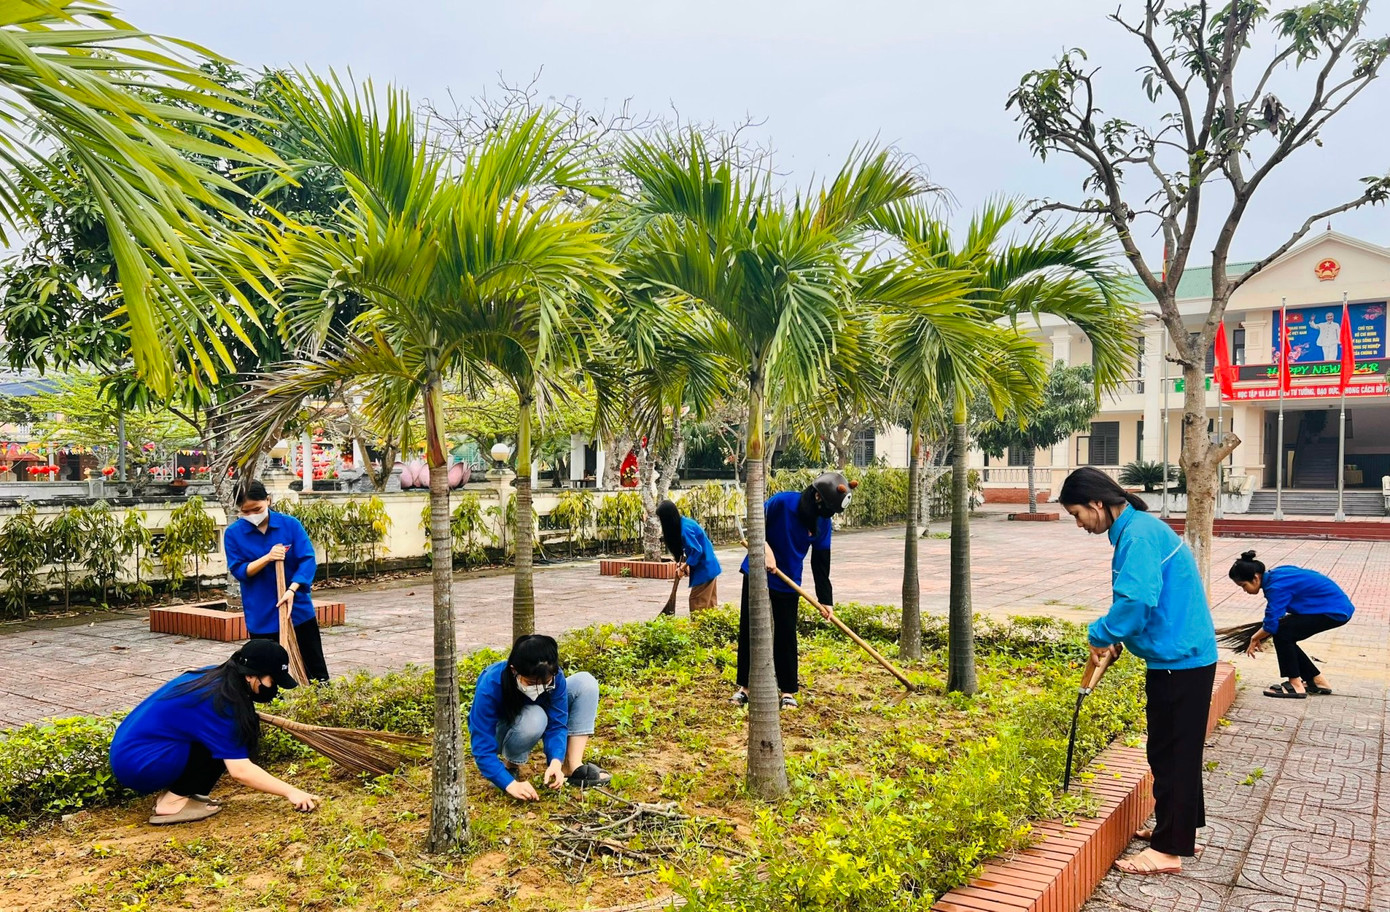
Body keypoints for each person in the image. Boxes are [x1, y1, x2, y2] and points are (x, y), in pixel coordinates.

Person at [1057, 466, 1217, 877]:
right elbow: (1150, 602)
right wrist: (1121, 637)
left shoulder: (1139, 536)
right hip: (1182, 656)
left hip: (1179, 662)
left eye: (1078, 514)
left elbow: (1137, 600)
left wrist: (1101, 633)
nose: (1079, 524)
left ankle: (1168, 850)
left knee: (1172, 753)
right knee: (1174, 751)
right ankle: (1179, 830)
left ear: (1097, 503)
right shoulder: (1139, 529)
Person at [108, 640, 321, 825]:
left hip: (132, 752)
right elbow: (240, 771)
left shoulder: (219, 677)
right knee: (222, 746)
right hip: (140, 763)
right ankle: (171, 803)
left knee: (224, 740)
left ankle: (180, 794)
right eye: (272, 681)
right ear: (251, 676)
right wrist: (291, 792)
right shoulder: (221, 702)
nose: (273, 687)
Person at [732, 471, 855, 710]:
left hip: (789, 581)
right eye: (828, 510)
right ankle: (744, 688)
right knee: (750, 629)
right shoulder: (782, 502)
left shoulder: (823, 523)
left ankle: (787, 691)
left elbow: (821, 562)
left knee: (786, 635)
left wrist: (825, 600)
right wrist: (765, 550)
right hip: (757, 573)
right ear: (818, 498)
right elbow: (755, 525)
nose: (827, 516)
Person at [468, 634, 611, 801]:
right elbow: (481, 747)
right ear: (514, 670)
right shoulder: (491, 684)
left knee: (585, 683)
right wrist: (509, 783)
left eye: (546, 682)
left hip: (538, 719)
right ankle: (510, 766)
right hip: (503, 732)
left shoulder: (555, 678)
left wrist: (555, 761)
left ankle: (570, 766)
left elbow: (557, 724)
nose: (538, 688)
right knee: (535, 716)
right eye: (530, 683)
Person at [224, 480, 329, 682]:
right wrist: (268, 558)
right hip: (261, 611)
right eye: (246, 512)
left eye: (257, 509)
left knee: (314, 667)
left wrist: (292, 590)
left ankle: (320, 701)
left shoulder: (289, 525)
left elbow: (307, 560)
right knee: (267, 672)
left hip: (296, 608)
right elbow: (239, 570)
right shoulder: (234, 534)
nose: (252, 515)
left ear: (268, 500)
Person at [1229, 550, 1354, 698]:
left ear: (1255, 578)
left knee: (1282, 634)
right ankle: (1316, 681)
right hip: (1336, 608)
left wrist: (1254, 638)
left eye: (1243, 585)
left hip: (1333, 612)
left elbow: (1270, 624)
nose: (1244, 590)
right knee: (1285, 633)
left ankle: (1295, 685)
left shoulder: (1275, 588)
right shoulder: (1279, 573)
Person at [655, 500, 722, 613]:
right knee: (709, 604)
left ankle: (698, 629)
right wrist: (682, 564)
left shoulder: (685, 530)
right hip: (709, 566)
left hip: (705, 569)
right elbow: (691, 550)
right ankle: (712, 629)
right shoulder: (685, 522)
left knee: (697, 603)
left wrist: (683, 567)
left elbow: (697, 551)